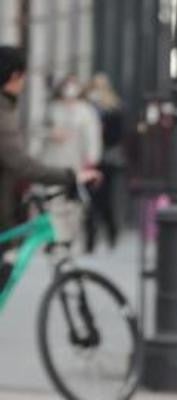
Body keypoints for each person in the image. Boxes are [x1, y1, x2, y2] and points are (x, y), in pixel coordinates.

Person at [0, 47, 98, 289]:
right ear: (14, 77)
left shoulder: (8, 108)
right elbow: (20, 162)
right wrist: (70, 176)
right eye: (23, 77)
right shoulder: (3, 112)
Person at [39, 74, 102, 248]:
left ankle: (68, 238)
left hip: (75, 164)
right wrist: (51, 134)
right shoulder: (53, 108)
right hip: (52, 161)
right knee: (52, 201)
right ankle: (54, 238)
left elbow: (93, 137)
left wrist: (91, 160)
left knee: (72, 204)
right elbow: (38, 129)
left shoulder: (85, 111)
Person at [84, 73, 126, 252]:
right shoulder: (86, 108)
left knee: (104, 201)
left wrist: (103, 130)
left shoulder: (113, 109)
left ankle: (111, 232)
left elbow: (117, 136)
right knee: (88, 202)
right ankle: (90, 240)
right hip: (87, 160)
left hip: (106, 160)